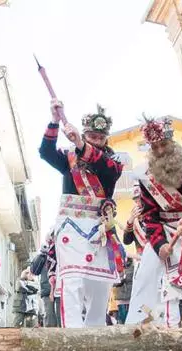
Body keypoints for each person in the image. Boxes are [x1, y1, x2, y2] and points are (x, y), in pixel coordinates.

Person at [40, 100, 124, 328]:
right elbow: (45, 153)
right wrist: (54, 122)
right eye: (91, 137)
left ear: (106, 139)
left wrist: (79, 143)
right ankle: (73, 334)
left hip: (100, 227)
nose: (96, 142)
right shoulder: (69, 158)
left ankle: (95, 331)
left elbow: (106, 171)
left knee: (101, 285)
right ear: (86, 135)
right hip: (71, 226)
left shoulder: (114, 162)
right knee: (71, 279)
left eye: (100, 138)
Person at [126, 117, 182, 327]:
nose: (160, 151)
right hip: (164, 231)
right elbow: (150, 215)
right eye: (155, 147)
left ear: (171, 142)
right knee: (145, 273)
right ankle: (141, 324)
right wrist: (160, 244)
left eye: (163, 144)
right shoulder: (145, 179)